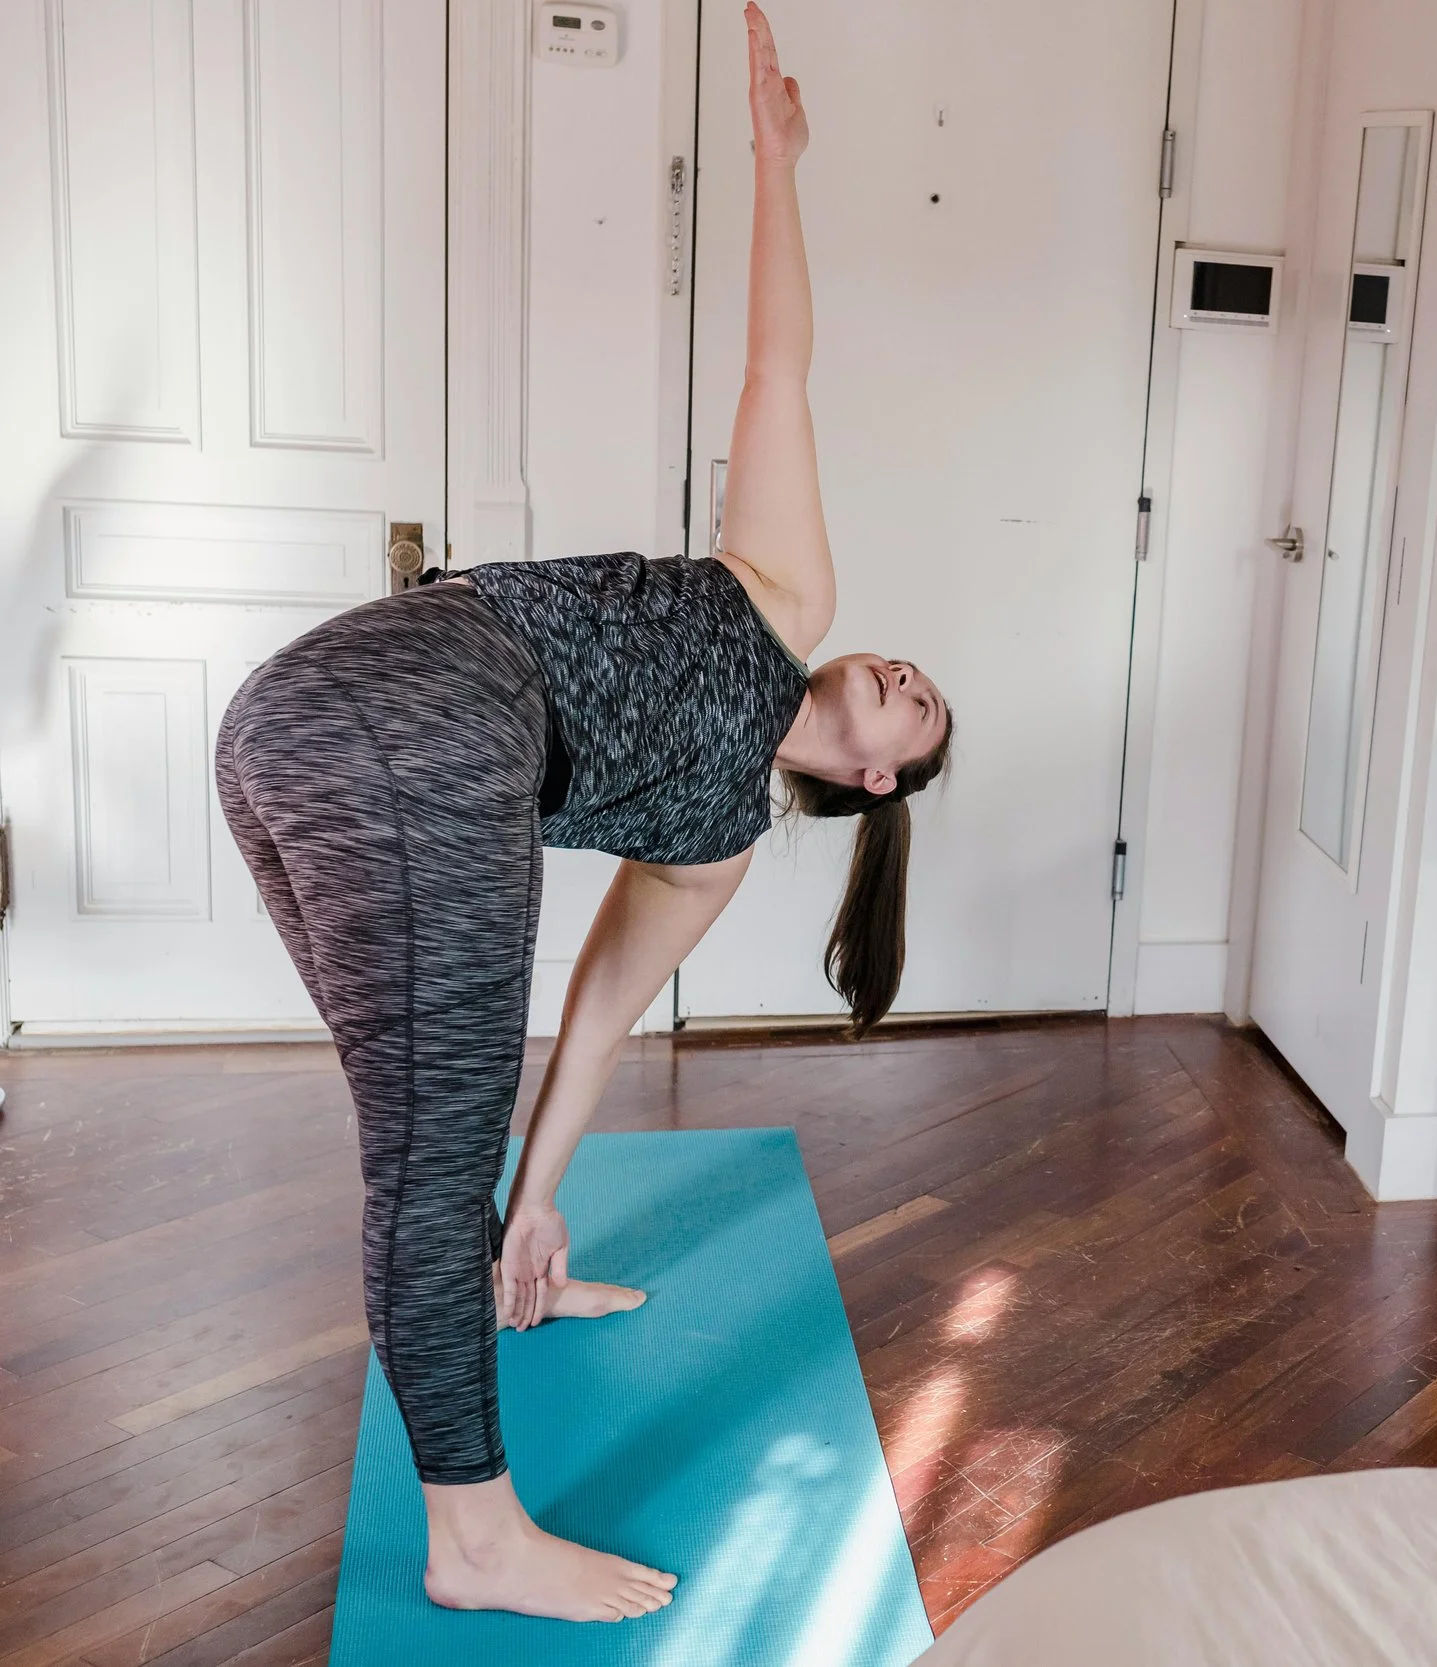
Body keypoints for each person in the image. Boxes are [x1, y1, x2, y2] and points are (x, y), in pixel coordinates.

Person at [213, 5, 944, 1622]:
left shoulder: (715, 844)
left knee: (432, 1139)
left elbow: (601, 1015)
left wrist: (538, 1199)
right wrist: (773, 164)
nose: (906, 678)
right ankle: (476, 1538)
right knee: (426, 1149)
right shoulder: (783, 593)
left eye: (919, 710)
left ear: (876, 778)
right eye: (910, 670)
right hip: (370, 700)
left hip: (328, 739)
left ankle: (486, 1291)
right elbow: (778, 366)